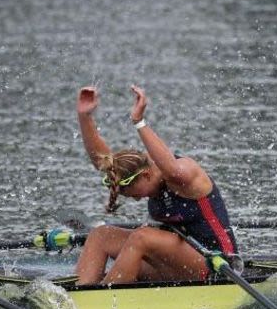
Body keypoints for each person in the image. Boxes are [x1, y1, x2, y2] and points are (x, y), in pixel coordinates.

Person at [74, 85, 239, 286]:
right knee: (101, 235)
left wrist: (138, 121)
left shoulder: (184, 175)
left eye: (134, 193)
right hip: (173, 265)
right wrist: (84, 117)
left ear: (145, 175)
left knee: (142, 237)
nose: (135, 198)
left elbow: (171, 169)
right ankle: (79, 293)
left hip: (215, 265)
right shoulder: (142, 172)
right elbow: (103, 160)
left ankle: (101, 300)